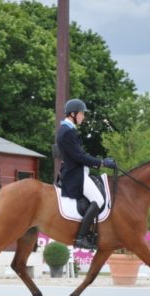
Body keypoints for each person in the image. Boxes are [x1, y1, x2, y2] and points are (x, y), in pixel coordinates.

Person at [56, 98, 117, 249]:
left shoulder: (68, 130)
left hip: (78, 171)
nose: (83, 117)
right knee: (99, 199)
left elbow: (80, 154)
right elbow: (79, 157)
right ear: (72, 114)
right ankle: (81, 238)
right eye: (81, 114)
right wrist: (102, 163)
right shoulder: (67, 132)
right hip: (75, 175)